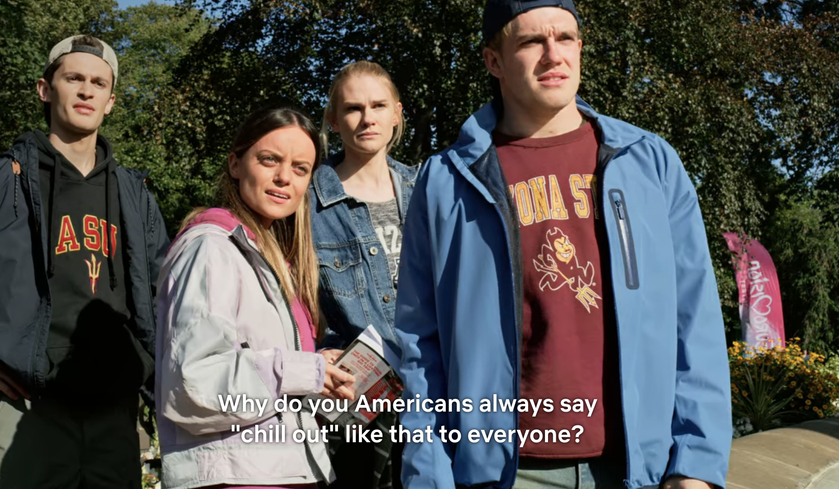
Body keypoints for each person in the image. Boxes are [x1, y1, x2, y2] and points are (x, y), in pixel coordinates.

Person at [394, 1, 732, 488]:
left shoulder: (648, 163)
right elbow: (419, 343)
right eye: (532, 41)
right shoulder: (446, 181)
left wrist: (695, 465)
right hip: (505, 474)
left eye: (566, 38)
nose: (554, 55)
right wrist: (428, 475)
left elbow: (695, 320)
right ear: (494, 61)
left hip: (635, 468)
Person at [0, 35, 168, 488]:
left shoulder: (135, 196)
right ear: (45, 89)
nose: (86, 90)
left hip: (114, 421)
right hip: (26, 415)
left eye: (98, 83)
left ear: (111, 102)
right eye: (74, 78)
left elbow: (162, 298)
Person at [155, 105, 356, 489]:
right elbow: (194, 384)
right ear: (235, 164)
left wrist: (325, 377)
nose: (284, 178)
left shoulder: (274, 260)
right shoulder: (212, 249)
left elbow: (274, 391)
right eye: (269, 160)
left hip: (285, 471)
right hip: (236, 478)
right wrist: (303, 370)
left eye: (300, 168)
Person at [310, 60, 417, 489]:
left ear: (397, 112)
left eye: (378, 105)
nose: (367, 118)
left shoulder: (427, 188)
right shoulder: (307, 203)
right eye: (353, 108)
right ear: (334, 120)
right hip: (355, 400)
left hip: (431, 390)